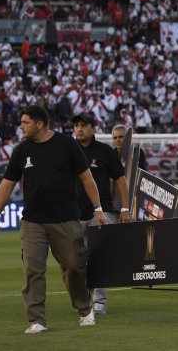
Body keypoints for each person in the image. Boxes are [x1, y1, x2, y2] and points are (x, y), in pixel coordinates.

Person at [0, 105, 108, 334]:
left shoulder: (67, 144)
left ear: (39, 124)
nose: (21, 126)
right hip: (32, 221)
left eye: (25, 122)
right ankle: (37, 319)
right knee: (33, 269)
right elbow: (7, 184)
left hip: (66, 219)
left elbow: (86, 177)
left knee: (74, 266)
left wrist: (98, 209)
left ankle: (84, 309)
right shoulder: (21, 150)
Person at [73, 113, 129, 315]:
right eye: (76, 125)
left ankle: (99, 302)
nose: (79, 129)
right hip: (73, 213)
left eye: (83, 125)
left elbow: (121, 180)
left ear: (92, 128)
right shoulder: (69, 151)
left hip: (101, 213)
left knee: (99, 257)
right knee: (75, 260)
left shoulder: (105, 151)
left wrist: (124, 208)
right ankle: (83, 297)